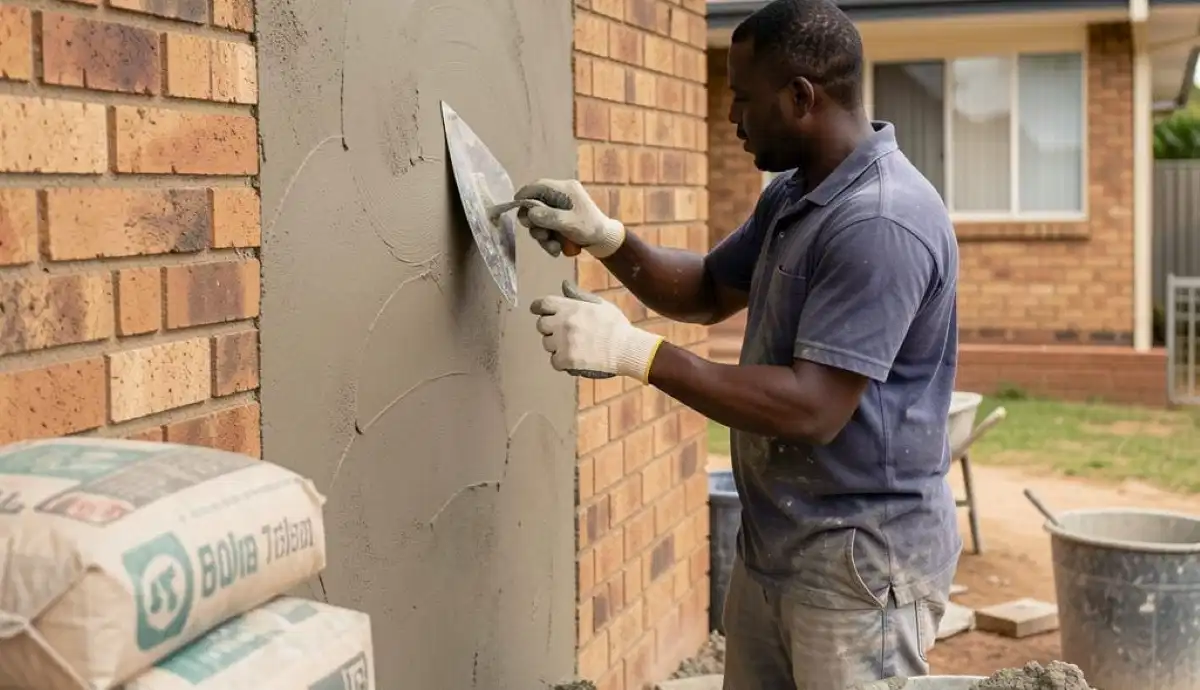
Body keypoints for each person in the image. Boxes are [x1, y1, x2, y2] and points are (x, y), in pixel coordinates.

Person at [515, 0, 960, 687]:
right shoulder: (795, 196)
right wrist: (608, 238)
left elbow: (813, 408)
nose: (730, 118)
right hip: (778, 543)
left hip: (862, 567)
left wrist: (637, 354)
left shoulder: (881, 222)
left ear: (801, 97)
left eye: (743, 99)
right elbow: (704, 290)